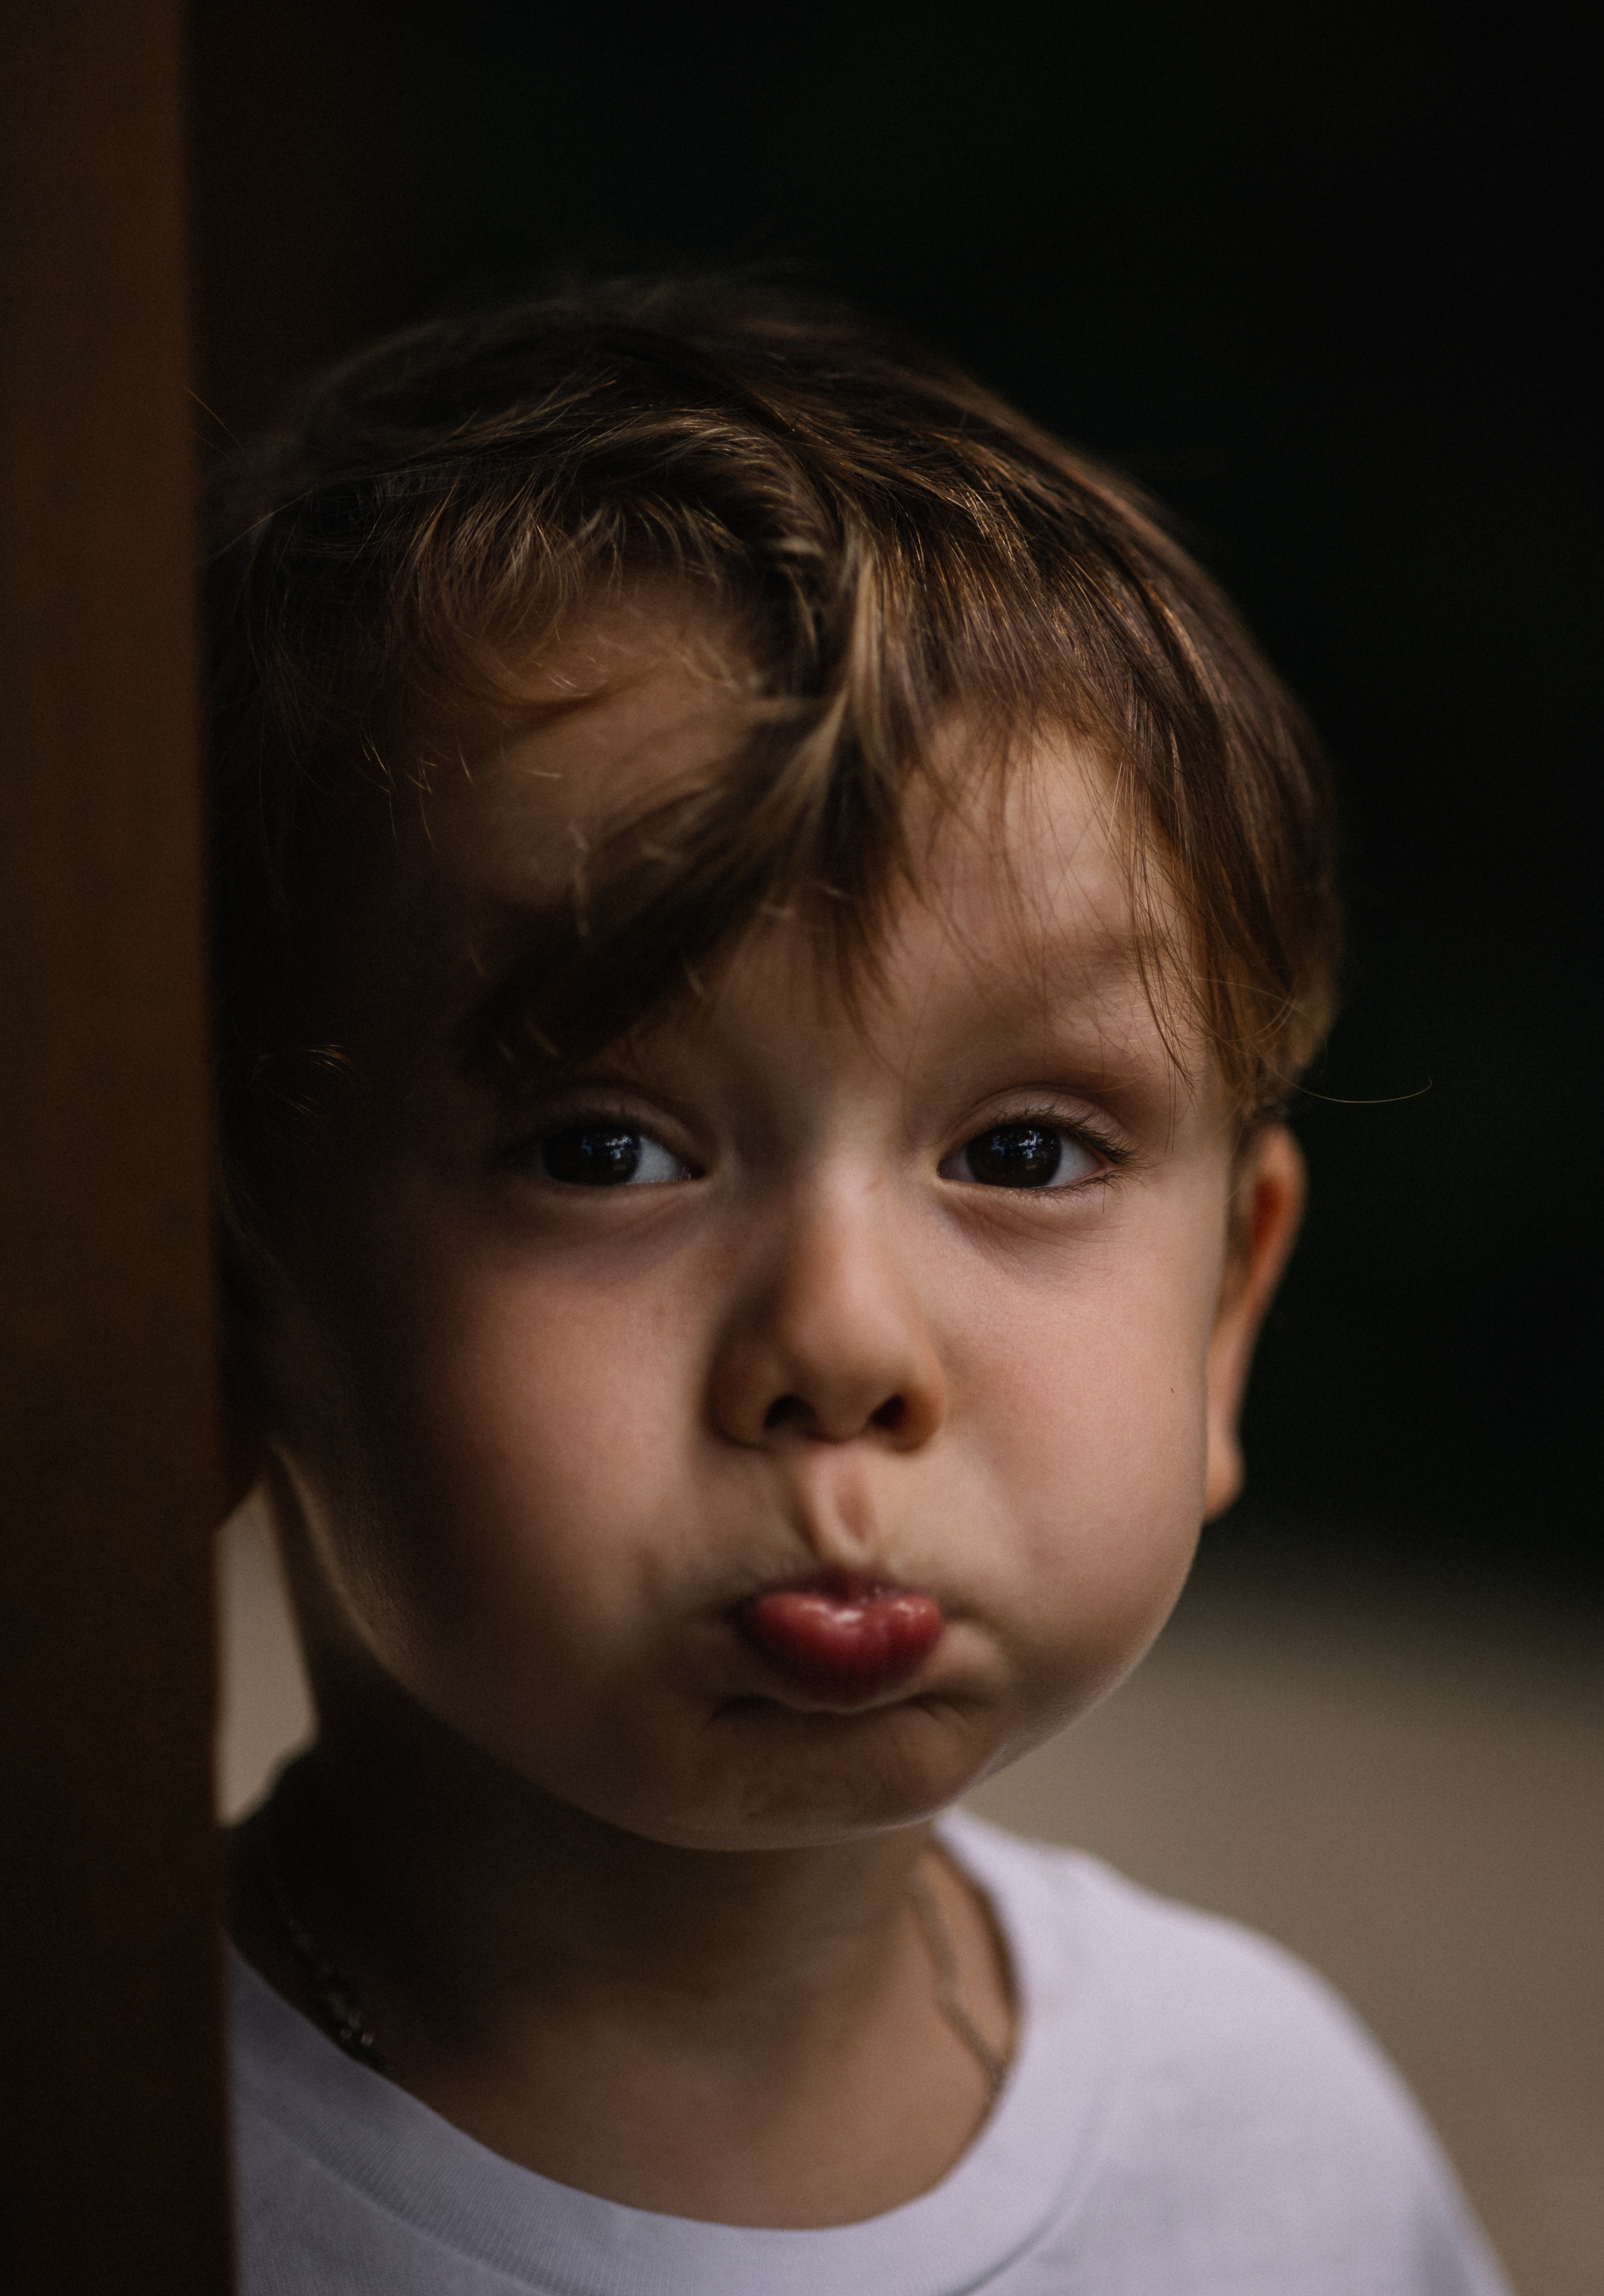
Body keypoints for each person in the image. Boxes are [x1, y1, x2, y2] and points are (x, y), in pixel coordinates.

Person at [210, 276, 1507, 2295]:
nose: (842, 1342)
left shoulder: (1281, 2156)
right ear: (231, 1297)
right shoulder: (111, 2156)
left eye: (1025, 1154)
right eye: (605, 1151)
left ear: (1225, 1319)